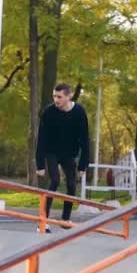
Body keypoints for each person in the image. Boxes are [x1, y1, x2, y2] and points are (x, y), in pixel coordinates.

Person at [36, 83, 90, 233]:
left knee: (72, 184)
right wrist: (40, 164)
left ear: (68, 96)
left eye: (59, 97)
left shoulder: (79, 112)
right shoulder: (48, 112)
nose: (56, 100)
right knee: (55, 180)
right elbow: (41, 139)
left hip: (69, 153)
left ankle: (65, 219)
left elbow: (85, 139)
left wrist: (83, 165)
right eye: (54, 96)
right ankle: (43, 220)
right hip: (51, 151)